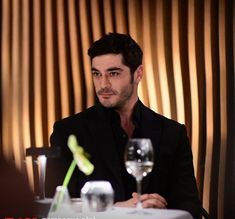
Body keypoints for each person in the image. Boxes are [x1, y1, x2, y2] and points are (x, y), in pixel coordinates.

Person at [46, 33, 201, 218]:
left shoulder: (173, 133)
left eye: (113, 73)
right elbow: (55, 209)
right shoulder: (68, 131)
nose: (103, 84)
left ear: (138, 74)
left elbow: (190, 206)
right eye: (97, 74)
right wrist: (116, 210)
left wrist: (162, 212)